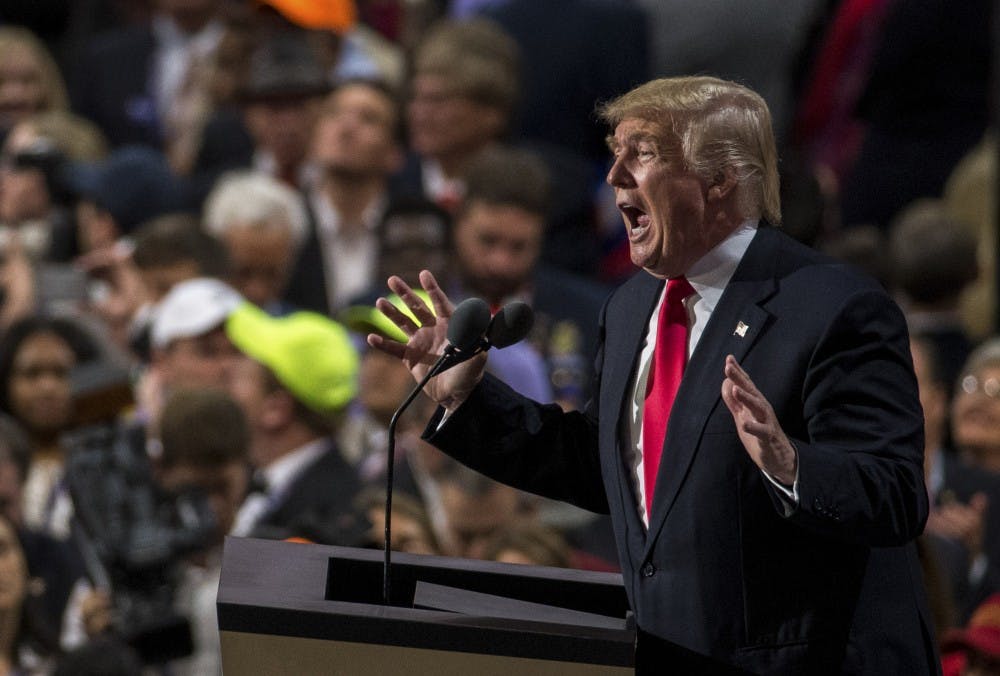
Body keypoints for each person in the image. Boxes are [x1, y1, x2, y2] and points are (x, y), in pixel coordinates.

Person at [369, 76, 937, 674]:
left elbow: (896, 496)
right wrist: (471, 402)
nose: (613, 177)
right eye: (614, 152)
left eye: (641, 154)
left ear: (719, 179)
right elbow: (607, 469)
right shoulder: (631, 305)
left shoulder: (832, 306)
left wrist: (790, 465)